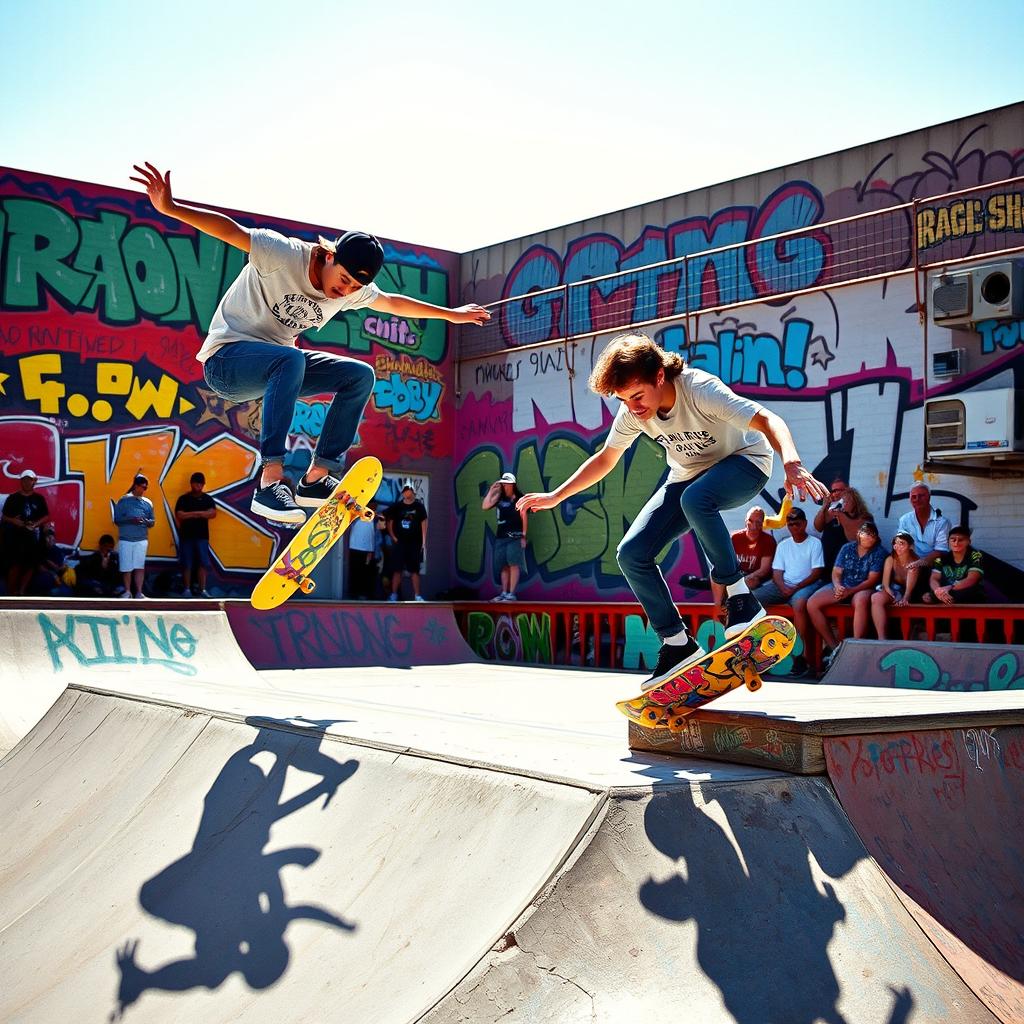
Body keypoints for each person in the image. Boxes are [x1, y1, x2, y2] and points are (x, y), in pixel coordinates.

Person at [130, 162, 490, 525]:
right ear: (329, 255)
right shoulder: (283, 254)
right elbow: (232, 232)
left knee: (359, 376)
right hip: (226, 363)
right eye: (344, 279)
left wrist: (451, 314)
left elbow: (394, 302)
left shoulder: (351, 292)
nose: (345, 291)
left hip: (276, 368)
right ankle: (270, 481)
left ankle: (317, 477)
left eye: (353, 287)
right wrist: (171, 209)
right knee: (290, 359)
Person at [517, 331, 827, 689]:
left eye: (637, 396)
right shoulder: (633, 411)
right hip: (690, 476)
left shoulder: (699, 389)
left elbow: (768, 420)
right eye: (623, 399)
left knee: (695, 499)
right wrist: (557, 495)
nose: (633, 407)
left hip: (745, 463)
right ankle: (677, 643)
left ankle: (741, 598)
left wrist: (792, 464)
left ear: (659, 376)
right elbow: (607, 458)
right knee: (631, 553)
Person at [751, 507, 826, 677]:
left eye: (797, 524)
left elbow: (817, 573)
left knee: (799, 604)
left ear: (805, 524)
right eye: (790, 524)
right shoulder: (784, 545)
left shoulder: (815, 543)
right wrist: (783, 587)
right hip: (783, 585)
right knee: (754, 599)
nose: (794, 528)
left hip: (806, 585)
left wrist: (795, 588)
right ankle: (761, 648)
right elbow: (777, 572)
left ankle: (799, 655)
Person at [807, 521, 885, 665]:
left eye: (873, 535)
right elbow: (836, 571)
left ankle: (856, 646)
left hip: (862, 588)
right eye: (866, 533)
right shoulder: (847, 548)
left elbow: (872, 580)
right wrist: (837, 586)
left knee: (861, 600)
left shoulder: (879, 552)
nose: (869, 537)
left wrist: (849, 592)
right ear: (858, 535)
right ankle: (834, 647)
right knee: (812, 604)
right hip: (843, 585)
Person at [710, 505, 777, 616]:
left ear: (762, 524)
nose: (753, 526)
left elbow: (764, 569)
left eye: (758, 522)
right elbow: (725, 560)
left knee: (752, 581)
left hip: (754, 577)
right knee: (715, 572)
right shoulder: (735, 538)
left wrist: (746, 578)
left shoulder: (768, 541)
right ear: (746, 521)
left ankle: (732, 606)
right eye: (750, 521)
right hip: (736, 575)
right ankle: (718, 607)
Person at [897, 483, 951, 598]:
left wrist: (919, 563)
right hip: (911, 564)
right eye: (914, 497)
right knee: (890, 561)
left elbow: (941, 551)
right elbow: (901, 545)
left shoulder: (942, 522)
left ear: (929, 497)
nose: (917, 499)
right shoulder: (905, 520)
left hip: (934, 566)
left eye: (921, 496)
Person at [1, 469, 50, 596]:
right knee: (15, 565)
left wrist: (35, 524)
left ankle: (22, 591)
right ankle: (12, 593)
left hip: (32, 538)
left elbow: (46, 516)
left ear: (34, 481)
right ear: (20, 481)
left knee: (31, 565)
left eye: (29, 479)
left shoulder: (39, 499)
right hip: (15, 538)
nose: (26, 482)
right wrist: (14, 521)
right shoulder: (13, 498)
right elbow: (4, 517)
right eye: (24, 479)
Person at [482, 472, 528, 601]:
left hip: (515, 536)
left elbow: (524, 517)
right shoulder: (499, 498)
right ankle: (504, 592)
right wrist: (491, 491)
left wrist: (524, 535)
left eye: (508, 484)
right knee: (503, 565)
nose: (505, 486)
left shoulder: (519, 499)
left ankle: (511, 594)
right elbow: (485, 506)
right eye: (503, 483)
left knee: (513, 563)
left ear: (513, 485)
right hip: (501, 536)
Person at [813, 479, 874, 575]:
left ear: (848, 491)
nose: (835, 494)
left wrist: (840, 514)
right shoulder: (831, 511)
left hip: (848, 570)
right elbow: (818, 527)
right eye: (833, 491)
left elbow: (854, 537)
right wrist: (824, 506)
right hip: (828, 567)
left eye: (839, 490)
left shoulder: (863, 516)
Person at [174, 472, 217, 597]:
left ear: (203, 485)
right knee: (187, 563)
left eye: (200, 483)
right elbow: (180, 514)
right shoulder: (184, 499)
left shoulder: (207, 499)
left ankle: (202, 589)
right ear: (191, 484)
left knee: (203, 563)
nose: (198, 485)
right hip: (186, 536)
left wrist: (191, 514)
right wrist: (200, 514)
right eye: (196, 483)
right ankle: (187, 589)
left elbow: (213, 513)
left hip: (202, 537)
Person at [870, 530, 920, 639]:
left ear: (910, 546)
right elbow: (885, 584)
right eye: (895, 543)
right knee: (876, 597)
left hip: (913, 593)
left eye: (901, 543)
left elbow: (910, 591)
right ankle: (881, 638)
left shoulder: (915, 562)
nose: (897, 546)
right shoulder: (890, 559)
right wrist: (893, 595)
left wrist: (904, 598)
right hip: (894, 590)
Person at [114, 474, 155, 599]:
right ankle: (127, 591)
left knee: (139, 566)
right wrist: (131, 519)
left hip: (141, 539)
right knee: (127, 566)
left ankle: (139, 592)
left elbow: (152, 522)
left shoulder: (148, 503)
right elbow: (117, 520)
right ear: (136, 486)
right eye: (143, 487)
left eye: (146, 488)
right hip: (126, 539)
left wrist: (146, 522)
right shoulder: (123, 500)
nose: (144, 490)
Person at [387, 482, 428, 602]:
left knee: (414, 570)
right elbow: (390, 521)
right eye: (404, 490)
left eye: (408, 490)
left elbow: (423, 523)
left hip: (414, 543)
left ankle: (417, 595)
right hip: (400, 543)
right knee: (397, 569)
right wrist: (393, 536)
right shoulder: (398, 506)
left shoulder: (419, 506)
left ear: (413, 491)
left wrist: (423, 541)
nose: (406, 492)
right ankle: (393, 595)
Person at [924, 526, 985, 604]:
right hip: (946, 592)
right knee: (927, 597)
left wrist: (950, 587)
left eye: (960, 540)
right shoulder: (941, 558)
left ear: (968, 541)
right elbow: (934, 578)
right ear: (948, 541)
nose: (956, 543)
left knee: (962, 593)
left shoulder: (975, 555)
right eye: (953, 540)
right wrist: (937, 591)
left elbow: (972, 579)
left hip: (967, 592)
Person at [346, 499, 380, 600]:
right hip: (355, 547)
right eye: (373, 505)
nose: (374, 507)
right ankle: (354, 594)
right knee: (355, 572)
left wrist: (371, 551)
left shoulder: (374, 518)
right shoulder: (358, 515)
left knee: (366, 573)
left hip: (367, 550)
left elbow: (373, 536)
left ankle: (365, 594)